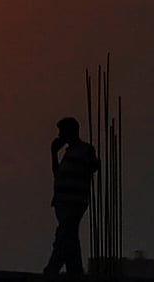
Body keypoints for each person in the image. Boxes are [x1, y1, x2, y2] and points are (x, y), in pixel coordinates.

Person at [43, 117, 99, 277]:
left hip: (74, 203)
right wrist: (53, 153)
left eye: (62, 131)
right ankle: (75, 271)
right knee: (70, 239)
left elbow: (94, 165)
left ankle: (51, 270)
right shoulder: (67, 154)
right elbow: (58, 175)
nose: (60, 135)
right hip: (63, 204)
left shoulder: (85, 149)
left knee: (63, 237)